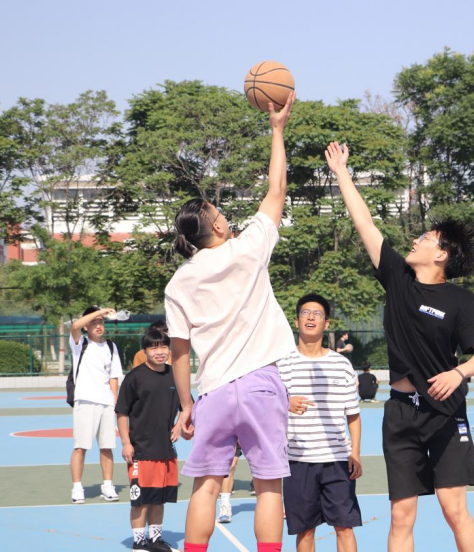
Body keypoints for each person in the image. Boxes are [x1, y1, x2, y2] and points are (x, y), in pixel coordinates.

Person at [325, 141, 474, 552]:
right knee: (402, 515)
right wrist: (342, 173)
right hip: (401, 414)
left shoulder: (461, 301)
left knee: (454, 509)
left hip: (445, 412)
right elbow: (365, 224)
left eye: (425, 238)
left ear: (442, 255)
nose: (416, 241)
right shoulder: (398, 278)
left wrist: (458, 373)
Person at [165, 91, 296, 552]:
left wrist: (186, 406)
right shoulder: (248, 249)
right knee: (268, 486)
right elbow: (276, 191)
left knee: (205, 485)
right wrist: (277, 130)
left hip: (215, 390)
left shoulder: (179, 281)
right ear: (217, 227)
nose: (226, 218)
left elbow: (179, 353)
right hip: (261, 383)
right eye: (221, 214)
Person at [279, 293, 363, 552]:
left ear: (326, 323)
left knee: (345, 527)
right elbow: (265, 408)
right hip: (297, 460)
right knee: (305, 530)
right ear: (297, 321)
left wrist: (355, 452)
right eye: (305, 312)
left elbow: (353, 414)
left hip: (337, 460)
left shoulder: (342, 365)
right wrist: (285, 403)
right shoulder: (281, 364)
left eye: (317, 314)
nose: (311, 317)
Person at [116, 329, 181, 552]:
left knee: (158, 498)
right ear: (145, 351)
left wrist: (179, 425)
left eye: (163, 346)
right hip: (141, 450)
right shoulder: (134, 377)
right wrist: (126, 443)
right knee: (141, 499)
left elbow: (187, 406)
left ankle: (155, 540)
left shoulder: (175, 375)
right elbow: (122, 412)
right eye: (153, 347)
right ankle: (139, 543)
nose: (159, 351)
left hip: (166, 450)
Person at [69, 306, 123, 504]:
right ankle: (77, 487)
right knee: (81, 447)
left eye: (101, 322)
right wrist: (99, 312)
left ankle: (107, 486)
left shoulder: (111, 347)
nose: (99, 325)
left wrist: (114, 399)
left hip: (106, 402)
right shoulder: (80, 343)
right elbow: (75, 325)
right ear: (87, 326)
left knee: (107, 446)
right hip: (85, 401)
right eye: (94, 323)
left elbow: (114, 376)